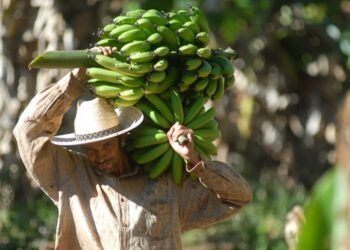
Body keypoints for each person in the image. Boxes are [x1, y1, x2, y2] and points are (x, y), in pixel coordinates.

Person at [13, 46, 252, 249]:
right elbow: (27, 130)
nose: (100, 156)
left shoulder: (165, 184)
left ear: (123, 138)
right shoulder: (71, 178)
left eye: (106, 145)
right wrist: (76, 80)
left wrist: (195, 160)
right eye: (91, 149)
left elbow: (238, 197)